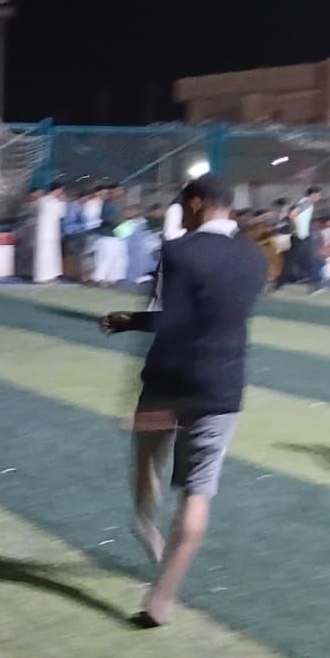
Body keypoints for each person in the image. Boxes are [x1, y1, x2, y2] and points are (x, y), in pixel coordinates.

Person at [100, 175, 265, 627]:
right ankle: (162, 599)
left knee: (146, 462)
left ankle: (145, 525)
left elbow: (169, 320)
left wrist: (128, 322)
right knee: (199, 492)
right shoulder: (254, 257)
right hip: (222, 388)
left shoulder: (177, 251)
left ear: (196, 204)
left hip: (167, 383)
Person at [274, 186, 323, 293]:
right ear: (312, 194)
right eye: (318, 194)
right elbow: (293, 214)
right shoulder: (306, 203)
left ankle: (315, 285)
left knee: (301, 261)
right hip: (299, 237)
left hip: (303, 237)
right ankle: (279, 284)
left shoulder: (306, 203)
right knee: (293, 261)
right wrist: (294, 226)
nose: (320, 197)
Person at [32, 182, 65, 283]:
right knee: (44, 254)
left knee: (53, 255)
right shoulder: (43, 200)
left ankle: (51, 276)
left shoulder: (57, 202)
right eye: (60, 190)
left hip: (53, 231)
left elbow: (61, 215)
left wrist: (61, 202)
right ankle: (42, 277)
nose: (61, 192)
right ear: (56, 190)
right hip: (44, 232)